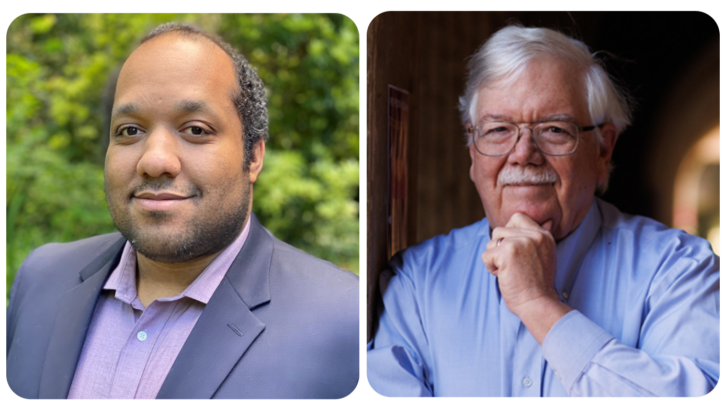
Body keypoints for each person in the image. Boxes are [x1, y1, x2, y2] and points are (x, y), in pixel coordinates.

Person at [6, 23, 359, 399]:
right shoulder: (41, 279)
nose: (155, 160)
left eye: (195, 129)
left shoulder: (344, 318)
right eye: (129, 131)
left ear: (253, 156)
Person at [367, 25, 719, 397]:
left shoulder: (680, 270)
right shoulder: (414, 286)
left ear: (603, 150)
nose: (522, 153)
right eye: (499, 129)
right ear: (472, 151)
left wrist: (538, 304)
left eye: (554, 129)